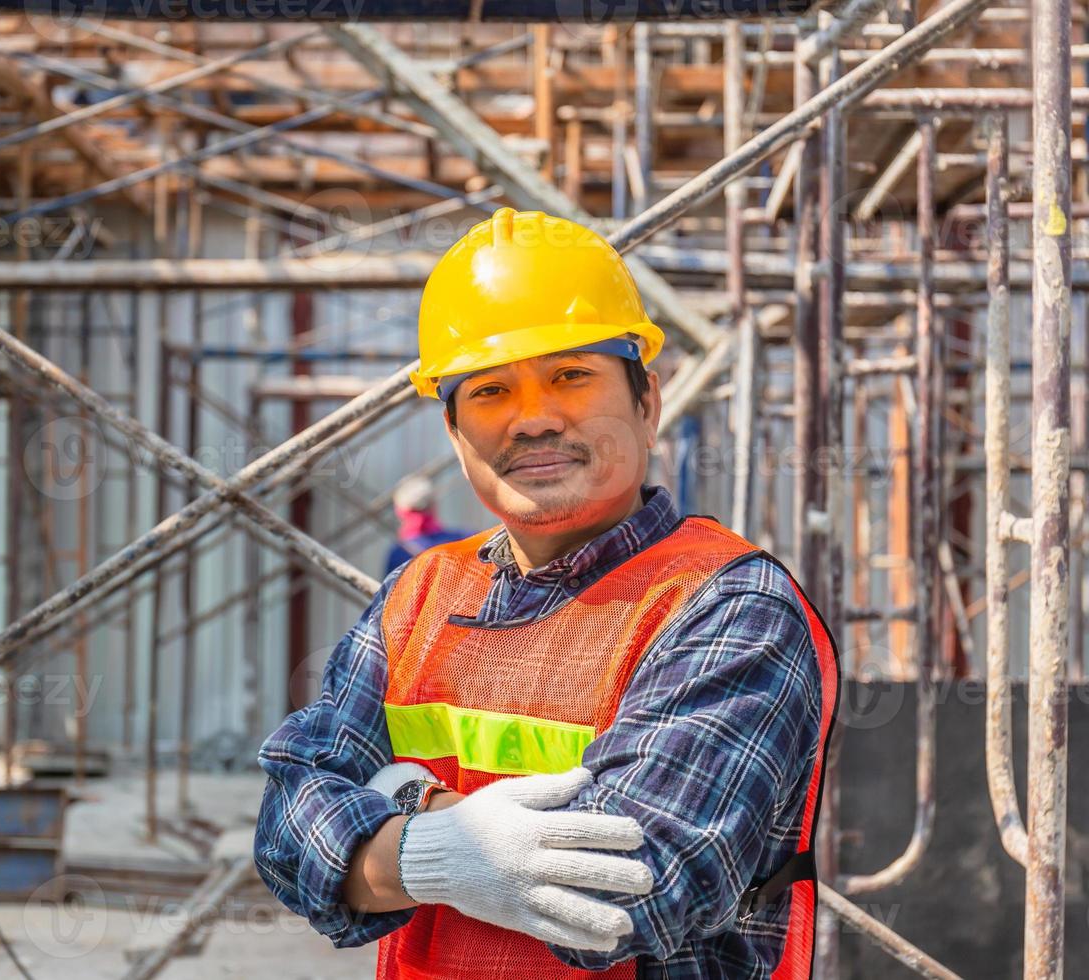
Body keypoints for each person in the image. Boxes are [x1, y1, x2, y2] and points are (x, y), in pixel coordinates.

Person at [253, 207, 839, 978]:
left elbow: (634, 889)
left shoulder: (728, 605)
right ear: (456, 431)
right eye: (491, 390)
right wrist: (442, 850)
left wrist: (397, 811)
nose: (532, 419)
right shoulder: (418, 596)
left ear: (647, 401)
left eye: (570, 375)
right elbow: (287, 835)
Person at [383, 474, 469, 576]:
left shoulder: (398, 553)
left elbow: (391, 590)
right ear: (434, 506)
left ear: (400, 511)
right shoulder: (465, 539)